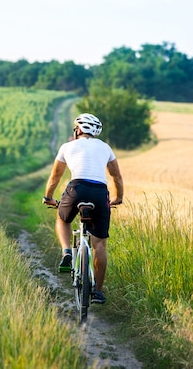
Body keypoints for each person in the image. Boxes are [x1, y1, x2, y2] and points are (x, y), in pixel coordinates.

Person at [42, 113, 123, 304]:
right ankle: (98, 292)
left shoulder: (67, 147)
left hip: (76, 189)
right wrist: (118, 197)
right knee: (100, 245)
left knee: (63, 219)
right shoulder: (105, 148)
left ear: (78, 130)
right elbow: (116, 177)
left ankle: (67, 251)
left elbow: (55, 177)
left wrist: (48, 197)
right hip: (99, 192)